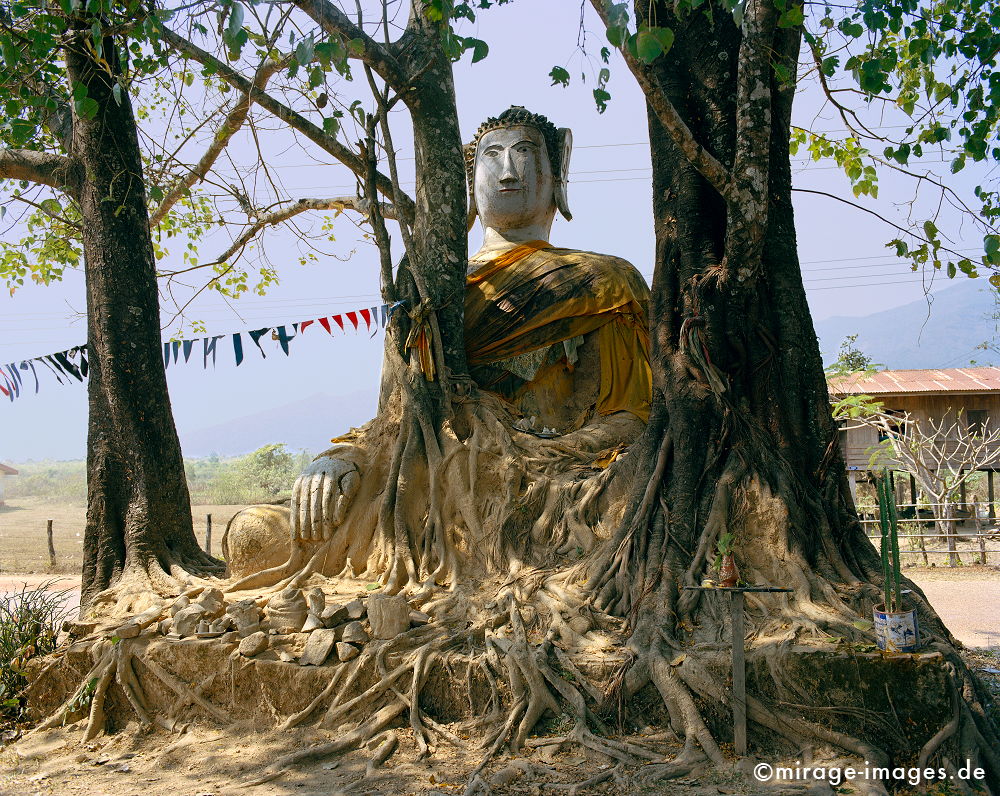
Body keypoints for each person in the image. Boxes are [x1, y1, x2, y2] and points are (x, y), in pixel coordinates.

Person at [240, 107, 652, 556]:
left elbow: (632, 416)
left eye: (524, 153)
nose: (507, 171)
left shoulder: (603, 282)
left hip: (545, 474)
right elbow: (394, 416)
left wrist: (538, 452)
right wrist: (342, 458)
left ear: (557, 176)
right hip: (426, 474)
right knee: (255, 534)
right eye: (492, 157)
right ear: (469, 185)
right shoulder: (429, 286)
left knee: (616, 509)